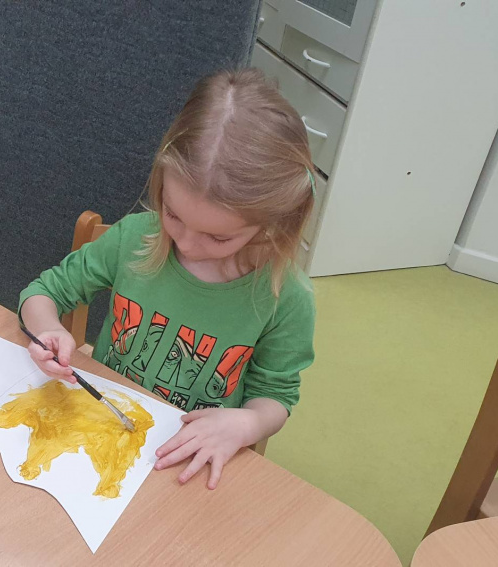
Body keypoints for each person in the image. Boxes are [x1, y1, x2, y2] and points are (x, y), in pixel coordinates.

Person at [19, 69, 316, 489]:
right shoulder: (135, 238)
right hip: (101, 429)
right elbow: (43, 292)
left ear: (273, 223)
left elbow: (276, 396)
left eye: (218, 237)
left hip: (189, 458)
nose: (187, 245)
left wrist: (246, 424)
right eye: (172, 214)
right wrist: (47, 329)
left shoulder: (285, 297)